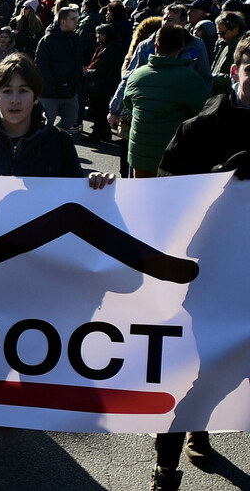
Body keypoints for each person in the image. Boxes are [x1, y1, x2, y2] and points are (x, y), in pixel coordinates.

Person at [0, 52, 115, 490]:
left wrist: (96, 190)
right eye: (7, 91)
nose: (15, 100)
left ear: (35, 96)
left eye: (23, 91)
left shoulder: (58, 145)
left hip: (40, 273)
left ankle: (10, 410)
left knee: (30, 352)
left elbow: (77, 207)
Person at [150, 34, 250, 491]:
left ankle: (203, 423)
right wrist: (219, 179)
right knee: (190, 370)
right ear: (235, 72)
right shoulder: (200, 128)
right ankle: (166, 468)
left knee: (233, 370)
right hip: (204, 273)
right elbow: (167, 194)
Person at [121, 25, 210, 177]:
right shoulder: (191, 79)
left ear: (156, 46)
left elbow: (128, 102)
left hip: (140, 155)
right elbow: (202, 114)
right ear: (182, 46)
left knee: (142, 197)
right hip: (173, 156)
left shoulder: (137, 75)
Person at [34, 4, 83, 131]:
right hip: (50, 91)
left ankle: (55, 137)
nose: (76, 22)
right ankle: (45, 143)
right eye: (73, 19)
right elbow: (41, 65)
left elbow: (77, 62)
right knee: (46, 122)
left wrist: (76, 82)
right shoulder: (47, 40)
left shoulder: (75, 38)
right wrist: (57, 83)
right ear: (63, 21)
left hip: (70, 91)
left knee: (71, 119)